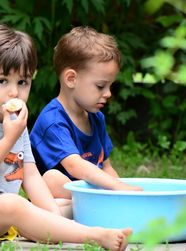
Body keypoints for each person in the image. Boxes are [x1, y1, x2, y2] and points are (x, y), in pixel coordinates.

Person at [0, 24, 131, 251]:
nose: (14, 92)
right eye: (2, 81)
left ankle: (64, 223)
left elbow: (30, 175)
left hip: (4, 216)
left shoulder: (16, 122)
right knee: (13, 204)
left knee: (62, 204)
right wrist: (8, 139)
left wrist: (53, 214)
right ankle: (94, 235)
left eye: (22, 82)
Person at [30, 26, 142, 202]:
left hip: (91, 193)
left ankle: (97, 206)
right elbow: (75, 166)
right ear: (71, 79)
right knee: (52, 178)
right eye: (100, 86)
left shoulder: (96, 117)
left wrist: (122, 192)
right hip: (59, 196)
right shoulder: (53, 121)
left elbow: (106, 167)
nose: (108, 93)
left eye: (110, 86)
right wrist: (116, 187)